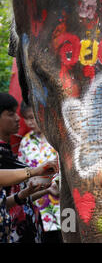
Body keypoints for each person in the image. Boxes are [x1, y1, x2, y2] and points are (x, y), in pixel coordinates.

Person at [0, 93, 59, 243]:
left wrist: (44, 189)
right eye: (11, 114)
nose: (19, 119)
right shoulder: (24, 142)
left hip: (35, 223)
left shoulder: (7, 151)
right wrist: (34, 171)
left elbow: (7, 201)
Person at [18, 102, 62, 243]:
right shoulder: (25, 142)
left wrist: (56, 184)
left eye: (33, 117)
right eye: (26, 118)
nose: (30, 122)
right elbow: (20, 172)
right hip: (38, 204)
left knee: (68, 235)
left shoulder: (57, 137)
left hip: (62, 202)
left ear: (42, 114)